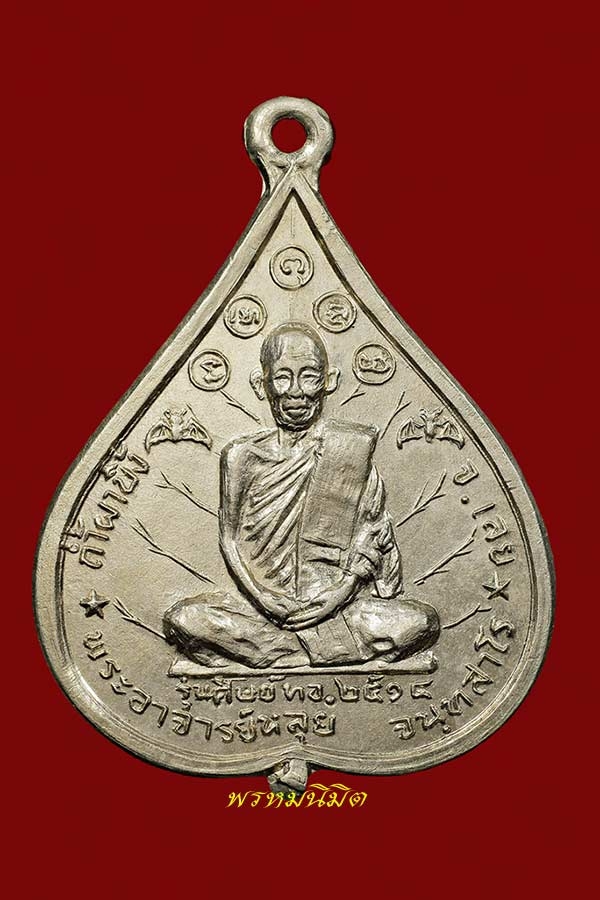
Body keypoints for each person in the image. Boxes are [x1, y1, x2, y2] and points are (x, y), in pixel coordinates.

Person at [163, 321, 439, 668]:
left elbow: (373, 543)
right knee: (184, 619)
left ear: (328, 381)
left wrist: (335, 598)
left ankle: (277, 651)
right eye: (282, 377)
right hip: (258, 607)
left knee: (422, 622)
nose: (296, 392)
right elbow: (229, 541)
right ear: (261, 384)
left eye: (309, 377)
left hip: (337, 606)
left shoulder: (350, 451)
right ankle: (316, 651)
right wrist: (265, 600)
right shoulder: (240, 456)